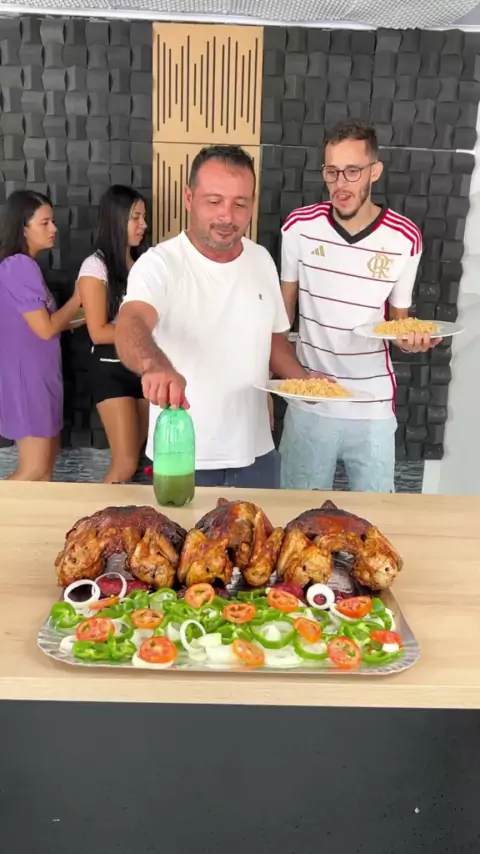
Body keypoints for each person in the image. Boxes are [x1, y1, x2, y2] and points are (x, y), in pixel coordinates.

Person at [115, 144, 312, 489]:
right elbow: (131, 323)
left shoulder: (261, 260)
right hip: (183, 454)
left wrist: (305, 381)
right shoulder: (160, 264)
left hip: (256, 452)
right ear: (189, 198)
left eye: (240, 204)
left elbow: (273, 340)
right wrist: (153, 364)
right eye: (214, 201)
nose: (227, 216)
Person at [279, 119, 440, 493]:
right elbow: (282, 317)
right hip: (310, 402)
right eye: (332, 172)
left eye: (353, 171)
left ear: (374, 171)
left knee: (375, 516)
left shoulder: (405, 237)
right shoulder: (298, 227)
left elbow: (397, 323)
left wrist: (411, 341)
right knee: (297, 514)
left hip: (372, 407)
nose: (341, 183)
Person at [0, 190, 81, 480]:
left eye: (52, 221)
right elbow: (45, 328)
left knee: (44, 472)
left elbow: (46, 324)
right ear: (23, 228)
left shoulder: (24, 266)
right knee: (34, 469)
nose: (53, 228)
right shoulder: (19, 266)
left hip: (38, 377)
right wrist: (78, 297)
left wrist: (87, 317)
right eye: (44, 223)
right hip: (28, 380)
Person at [76, 186, 148, 483]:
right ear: (116, 219)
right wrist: (142, 329)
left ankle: (125, 513)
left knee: (138, 458)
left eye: (144, 217)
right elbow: (98, 332)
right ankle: (99, 514)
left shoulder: (144, 263)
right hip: (111, 371)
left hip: (143, 371)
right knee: (125, 464)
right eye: (136, 217)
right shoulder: (95, 266)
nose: (143, 225)